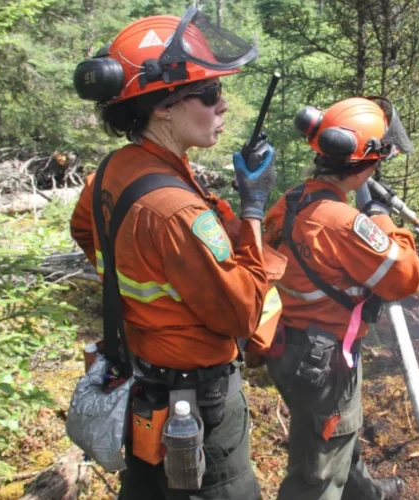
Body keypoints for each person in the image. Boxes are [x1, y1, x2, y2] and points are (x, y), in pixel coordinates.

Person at [68, 6, 285, 499]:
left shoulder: (113, 170)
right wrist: (253, 209)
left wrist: (146, 303)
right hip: (197, 402)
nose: (223, 106)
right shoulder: (176, 212)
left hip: (143, 384)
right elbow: (244, 312)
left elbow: (86, 229)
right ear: (161, 107)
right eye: (208, 94)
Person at [263, 97, 419, 500]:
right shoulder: (345, 223)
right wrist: (379, 214)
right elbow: (405, 276)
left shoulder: (293, 201)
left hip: (292, 349)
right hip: (326, 362)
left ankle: (361, 491)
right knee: (318, 473)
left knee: (324, 432)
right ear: (365, 165)